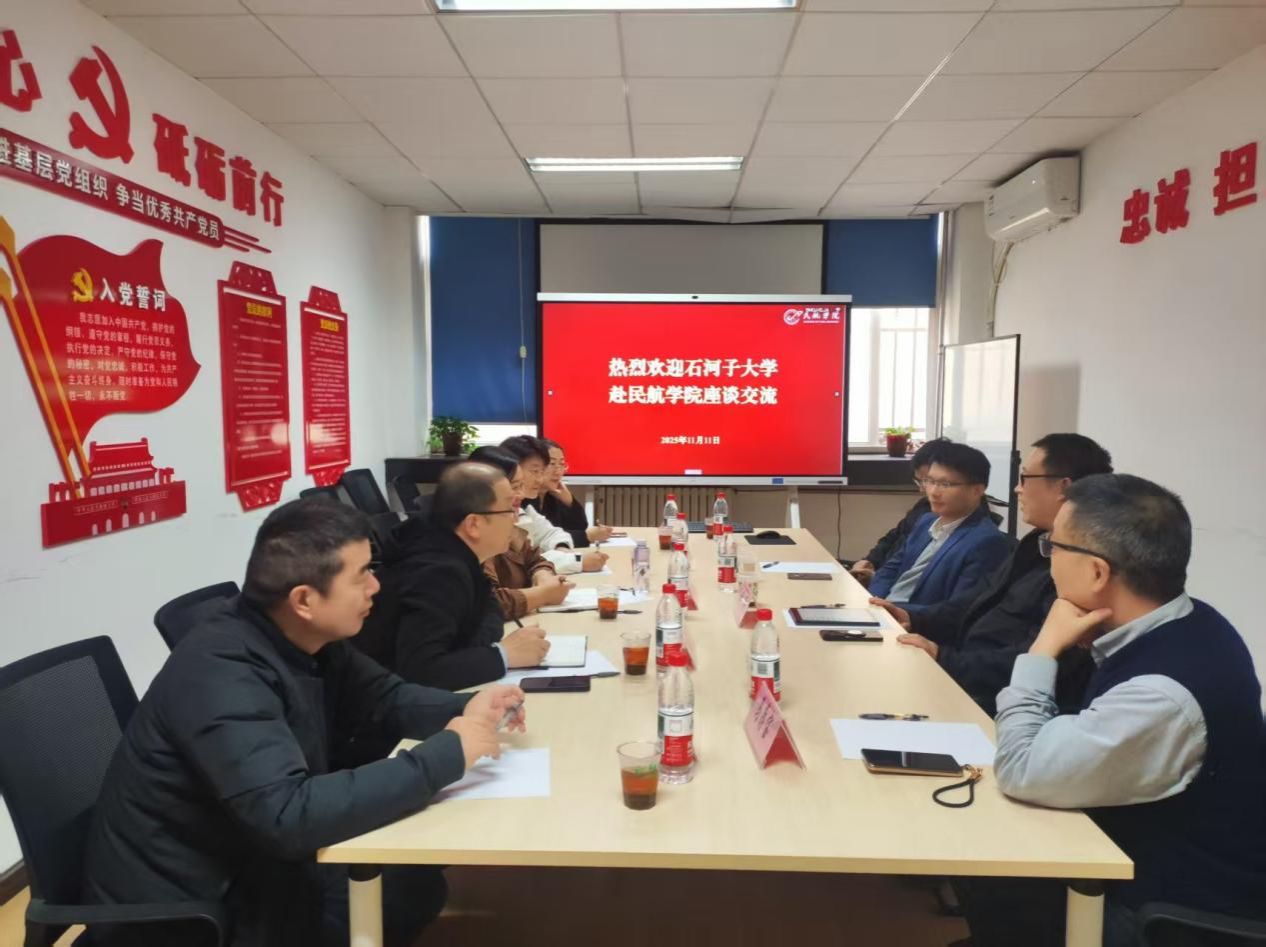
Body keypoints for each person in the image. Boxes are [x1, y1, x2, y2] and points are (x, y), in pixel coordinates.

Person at [82, 499, 526, 947]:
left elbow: (385, 698)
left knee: (412, 878)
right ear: (305, 600)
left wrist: (468, 708)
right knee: (401, 889)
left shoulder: (300, 633)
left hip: (250, 859)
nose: (376, 586)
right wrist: (447, 754)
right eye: (362, 575)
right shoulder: (221, 671)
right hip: (193, 909)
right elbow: (287, 816)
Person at [963, 474, 1266, 947]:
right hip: (1133, 848)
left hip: (1167, 907)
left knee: (984, 856)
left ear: (1097, 573)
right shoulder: (1191, 619)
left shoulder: (1161, 696)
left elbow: (1022, 768)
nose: (1048, 559)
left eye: (1053, 547)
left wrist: (1042, 651)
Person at [872, 433, 1113, 716]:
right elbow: (975, 602)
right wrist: (913, 618)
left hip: (994, 700)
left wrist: (944, 658)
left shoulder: (1081, 567)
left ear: (1064, 487)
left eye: (1025, 478)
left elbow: (1037, 659)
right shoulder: (1036, 542)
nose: (1017, 489)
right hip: (965, 676)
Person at [356, 462, 551, 691]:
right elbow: (421, 670)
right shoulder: (436, 571)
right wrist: (504, 655)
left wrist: (472, 650)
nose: (515, 518)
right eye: (509, 509)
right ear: (473, 524)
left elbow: (491, 618)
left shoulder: (460, 554)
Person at [867, 443, 1012, 615]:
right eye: (930, 481)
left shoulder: (986, 542)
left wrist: (898, 612)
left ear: (977, 490)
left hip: (915, 622)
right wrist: (875, 601)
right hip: (883, 611)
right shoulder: (926, 521)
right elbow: (890, 570)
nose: (933, 492)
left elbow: (960, 608)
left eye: (945, 484)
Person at [468, 446, 573, 620]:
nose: (522, 494)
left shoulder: (506, 519)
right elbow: (487, 603)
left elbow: (534, 558)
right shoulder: (474, 529)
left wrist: (543, 576)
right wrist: (543, 594)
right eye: (515, 487)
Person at [501, 435, 607, 576]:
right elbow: (526, 560)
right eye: (535, 471)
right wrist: (576, 560)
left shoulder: (544, 499)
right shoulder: (498, 511)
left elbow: (551, 533)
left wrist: (561, 547)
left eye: (561, 464)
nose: (539, 479)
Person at [524, 438, 613, 548]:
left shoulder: (552, 495)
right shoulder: (523, 497)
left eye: (562, 464)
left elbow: (580, 526)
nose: (558, 471)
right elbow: (539, 540)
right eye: (552, 464)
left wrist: (569, 501)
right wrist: (587, 536)